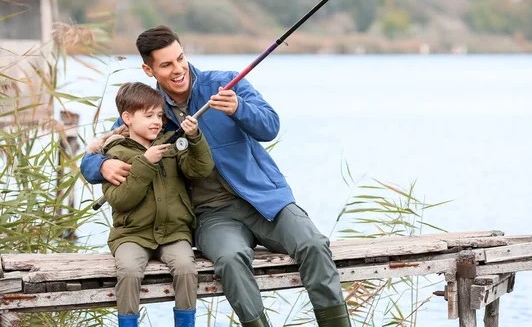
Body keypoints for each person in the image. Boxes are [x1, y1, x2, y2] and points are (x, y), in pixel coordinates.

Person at [81, 25, 352, 327]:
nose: (178, 69)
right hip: (211, 216)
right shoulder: (149, 110)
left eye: (180, 58)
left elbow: (270, 126)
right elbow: (95, 154)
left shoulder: (224, 83)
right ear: (148, 69)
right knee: (230, 260)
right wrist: (101, 166)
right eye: (166, 64)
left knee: (313, 244)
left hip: (264, 200)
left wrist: (239, 108)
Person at [86, 82, 214, 327]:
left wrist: (195, 138)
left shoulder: (171, 145)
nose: (156, 121)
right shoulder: (115, 154)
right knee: (129, 272)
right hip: (131, 235)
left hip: (173, 233)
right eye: (148, 116)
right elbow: (122, 200)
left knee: (187, 268)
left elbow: (201, 169)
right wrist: (145, 163)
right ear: (127, 118)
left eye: (159, 115)